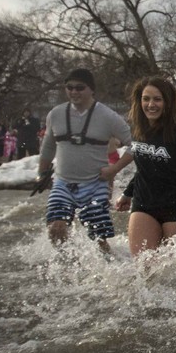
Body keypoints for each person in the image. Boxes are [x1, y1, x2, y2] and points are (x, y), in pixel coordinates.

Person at [104, 77, 176, 257]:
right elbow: (146, 168)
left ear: (168, 102)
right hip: (144, 203)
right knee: (144, 269)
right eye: (146, 99)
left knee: (170, 273)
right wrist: (128, 193)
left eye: (157, 99)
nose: (151, 104)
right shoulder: (138, 130)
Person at [37, 68, 132, 250]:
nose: (74, 92)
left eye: (80, 88)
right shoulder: (55, 114)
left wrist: (114, 169)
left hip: (95, 184)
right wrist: (42, 172)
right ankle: (69, 267)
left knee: (97, 239)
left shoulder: (108, 116)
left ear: (91, 90)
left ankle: (108, 267)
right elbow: (48, 146)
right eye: (69, 87)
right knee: (56, 229)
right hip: (63, 182)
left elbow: (136, 144)